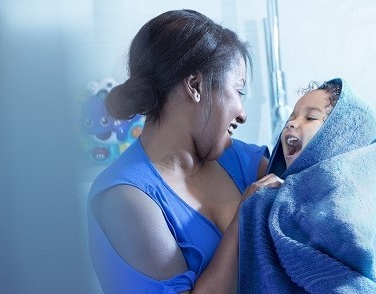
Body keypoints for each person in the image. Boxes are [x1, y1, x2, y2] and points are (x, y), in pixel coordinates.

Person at [87, 9, 281, 293]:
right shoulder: (125, 197)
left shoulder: (242, 160)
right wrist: (245, 219)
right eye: (238, 91)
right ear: (196, 86)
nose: (242, 114)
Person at [239, 78, 376, 293]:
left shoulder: (342, 196)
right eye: (292, 117)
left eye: (310, 117)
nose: (291, 123)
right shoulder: (275, 194)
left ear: (337, 137)